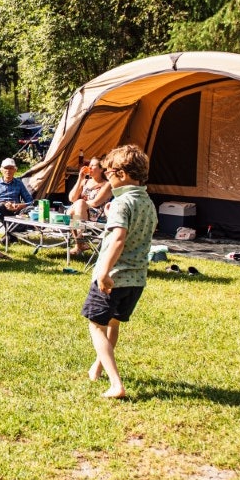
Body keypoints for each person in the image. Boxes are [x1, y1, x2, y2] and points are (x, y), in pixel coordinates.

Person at [82, 145, 157, 398]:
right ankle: (97, 368)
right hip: (136, 280)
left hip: (114, 277)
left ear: (122, 174)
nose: (107, 178)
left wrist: (103, 273)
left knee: (96, 326)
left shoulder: (122, 202)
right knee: (113, 323)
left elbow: (118, 239)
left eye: (109, 173)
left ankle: (116, 384)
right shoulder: (147, 202)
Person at [67, 156, 113, 255]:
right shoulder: (85, 182)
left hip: (98, 214)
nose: (89, 167)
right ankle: (80, 243)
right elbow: (72, 198)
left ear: (101, 169)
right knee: (74, 211)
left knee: (76, 208)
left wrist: (79, 204)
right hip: (80, 213)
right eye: (89, 165)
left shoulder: (107, 184)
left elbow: (96, 202)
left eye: (93, 165)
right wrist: (80, 178)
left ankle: (79, 244)